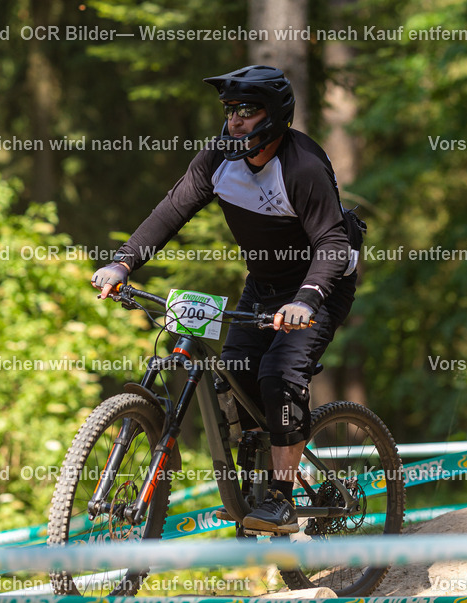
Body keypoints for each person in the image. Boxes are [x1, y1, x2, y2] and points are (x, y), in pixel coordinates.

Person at [91, 65, 358, 534]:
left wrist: (306, 300)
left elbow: (333, 244)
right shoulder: (218, 158)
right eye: (230, 110)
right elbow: (172, 210)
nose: (234, 120)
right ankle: (252, 488)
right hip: (264, 285)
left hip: (320, 284)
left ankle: (280, 498)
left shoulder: (302, 166)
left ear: (274, 116)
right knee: (233, 375)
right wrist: (123, 263)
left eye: (247, 111)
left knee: (279, 376)